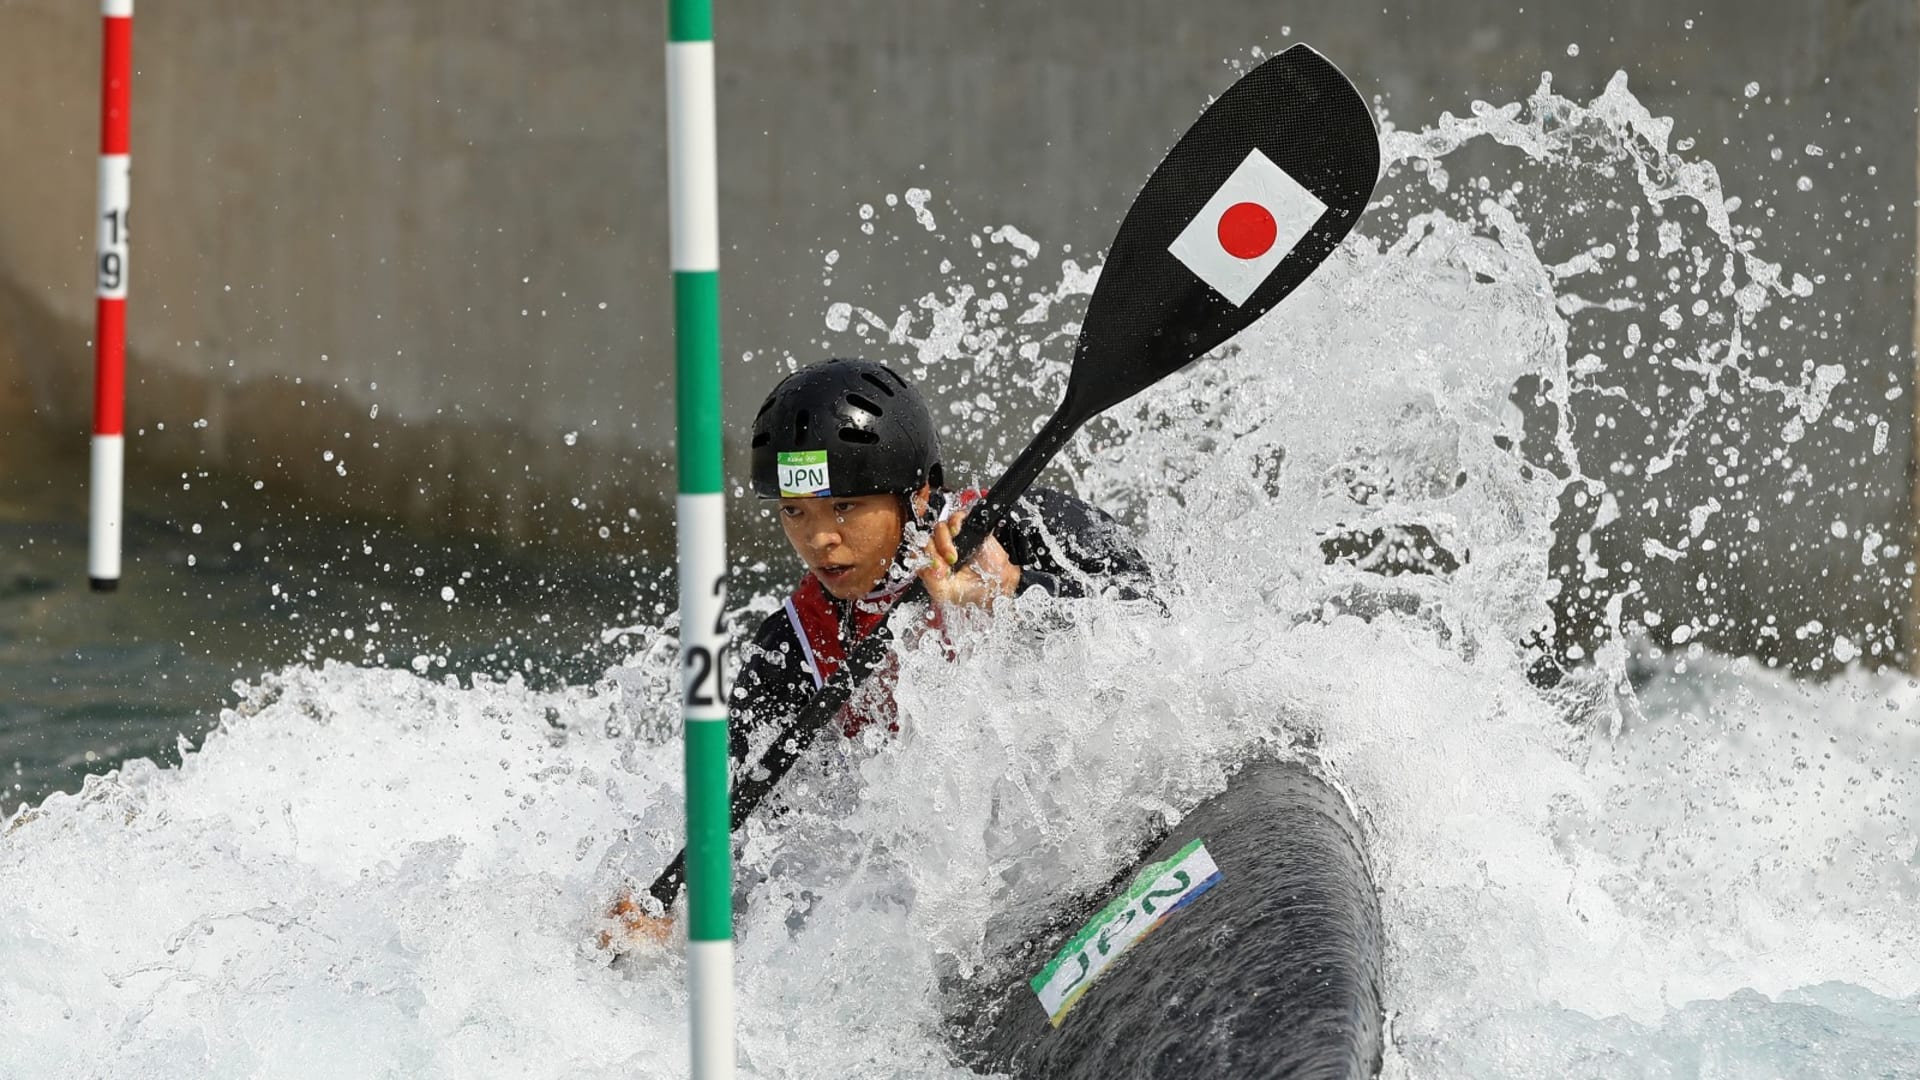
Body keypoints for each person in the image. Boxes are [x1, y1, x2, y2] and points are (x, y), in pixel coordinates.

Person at [604, 357, 1152, 948]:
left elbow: (1167, 622)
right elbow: (740, 825)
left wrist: (1015, 589)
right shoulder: (791, 652)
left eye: (844, 507)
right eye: (795, 510)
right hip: (935, 902)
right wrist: (665, 912)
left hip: (1093, 827)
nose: (819, 538)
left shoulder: (1022, 525)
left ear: (916, 494)